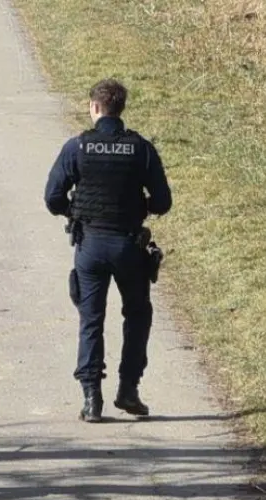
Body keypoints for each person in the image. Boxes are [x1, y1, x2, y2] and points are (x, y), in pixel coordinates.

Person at [44, 78, 173, 422]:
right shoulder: (141, 149)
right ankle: (128, 388)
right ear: (121, 109)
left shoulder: (78, 147)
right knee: (137, 315)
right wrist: (136, 206)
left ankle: (91, 399)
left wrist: (75, 211)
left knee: (91, 320)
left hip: (90, 246)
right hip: (129, 245)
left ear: (95, 108)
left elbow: (52, 197)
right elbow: (163, 201)